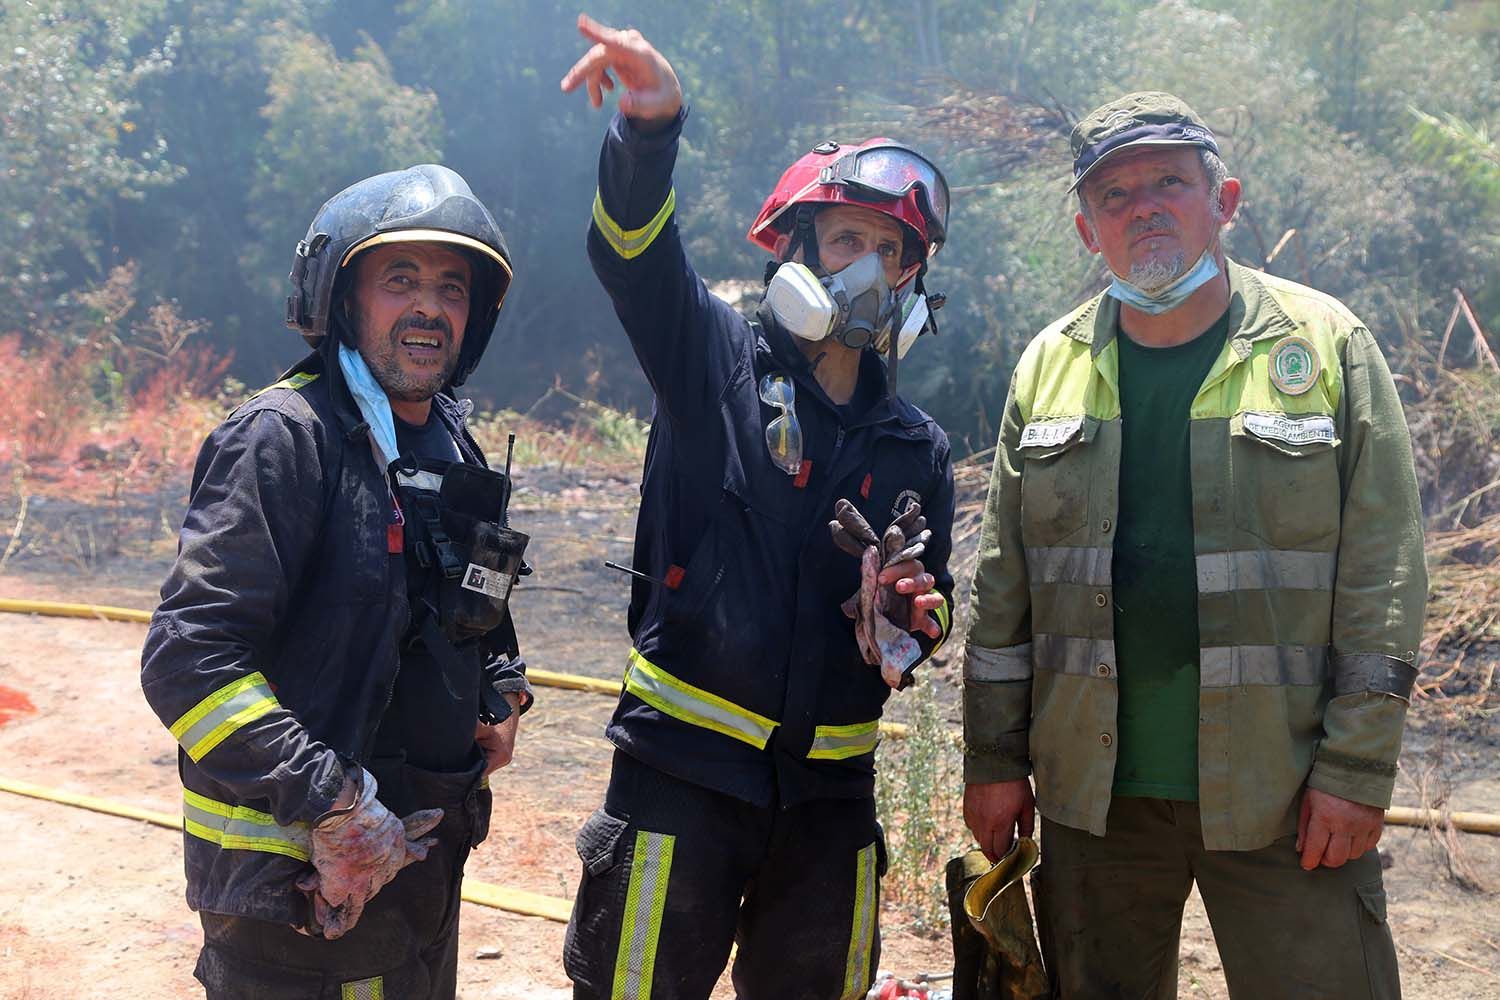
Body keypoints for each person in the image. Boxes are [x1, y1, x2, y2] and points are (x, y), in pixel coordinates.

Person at [960, 91, 1427, 998]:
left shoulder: (1327, 347)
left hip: (1286, 794)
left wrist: (1358, 770)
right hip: (1094, 801)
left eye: (1168, 181)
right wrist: (991, 763)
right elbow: (1002, 590)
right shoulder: (1048, 366)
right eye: (1114, 194)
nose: (1143, 207)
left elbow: (1386, 577)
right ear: (1089, 229)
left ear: (1226, 200)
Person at [558, 15, 957, 1000]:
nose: (868, 264)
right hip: (680, 782)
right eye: (847, 238)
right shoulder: (714, 363)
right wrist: (649, 131)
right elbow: (631, 253)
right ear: (799, 250)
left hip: (831, 805)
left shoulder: (919, 451)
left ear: (913, 277)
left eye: (890, 249)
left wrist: (910, 622)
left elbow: (919, 627)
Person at [140, 163, 534, 999]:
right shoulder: (284, 439)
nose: (430, 306)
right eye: (401, 279)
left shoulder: (449, 442)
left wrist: (501, 691)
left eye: (453, 287)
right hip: (303, 893)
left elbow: (470, 599)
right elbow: (188, 659)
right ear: (340, 296)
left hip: (415, 867)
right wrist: (332, 804)